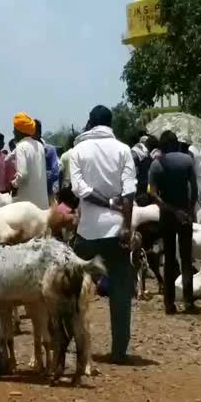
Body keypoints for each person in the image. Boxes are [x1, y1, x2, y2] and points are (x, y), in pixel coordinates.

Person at [69, 105, 136, 363]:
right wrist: (127, 226)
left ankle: (76, 346)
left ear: (90, 123)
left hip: (88, 232)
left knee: (73, 289)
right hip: (117, 229)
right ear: (110, 123)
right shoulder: (123, 150)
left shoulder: (77, 151)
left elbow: (79, 189)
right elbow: (129, 192)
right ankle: (119, 351)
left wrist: (104, 204)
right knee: (120, 292)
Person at [148, 131, 199, 314]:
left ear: (161, 146)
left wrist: (169, 209)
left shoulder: (156, 165)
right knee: (186, 258)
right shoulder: (187, 161)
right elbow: (194, 190)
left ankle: (169, 303)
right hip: (185, 215)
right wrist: (189, 211)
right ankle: (189, 302)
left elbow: (152, 194)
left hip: (167, 217)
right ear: (177, 144)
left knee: (169, 259)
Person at [11, 112, 49, 210]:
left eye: (14, 129)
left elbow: (23, 174)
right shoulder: (40, 145)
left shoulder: (21, 146)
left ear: (19, 131)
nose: (13, 132)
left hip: (28, 208)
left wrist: (14, 184)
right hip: (42, 203)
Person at [34, 119, 60, 201]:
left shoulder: (50, 150)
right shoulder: (27, 150)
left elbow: (55, 173)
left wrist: (37, 175)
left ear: (38, 132)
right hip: (32, 196)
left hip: (47, 195)